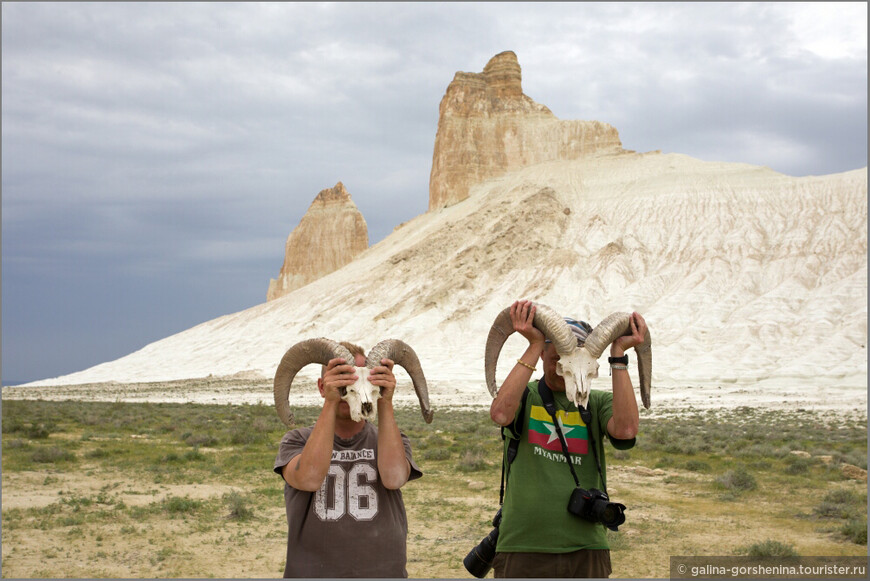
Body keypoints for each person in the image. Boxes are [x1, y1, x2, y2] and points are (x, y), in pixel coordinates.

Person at [489, 300, 647, 578]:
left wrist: (619, 355)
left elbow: (625, 430)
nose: (567, 373)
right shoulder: (526, 396)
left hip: (586, 548)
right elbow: (501, 413)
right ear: (543, 356)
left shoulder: (597, 403)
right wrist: (534, 344)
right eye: (556, 361)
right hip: (523, 546)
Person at [273, 341, 422, 578]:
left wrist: (384, 400)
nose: (354, 386)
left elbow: (394, 478)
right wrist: (332, 401)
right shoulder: (296, 441)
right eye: (343, 378)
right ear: (322, 387)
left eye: (365, 378)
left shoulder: (392, 438)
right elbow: (309, 478)